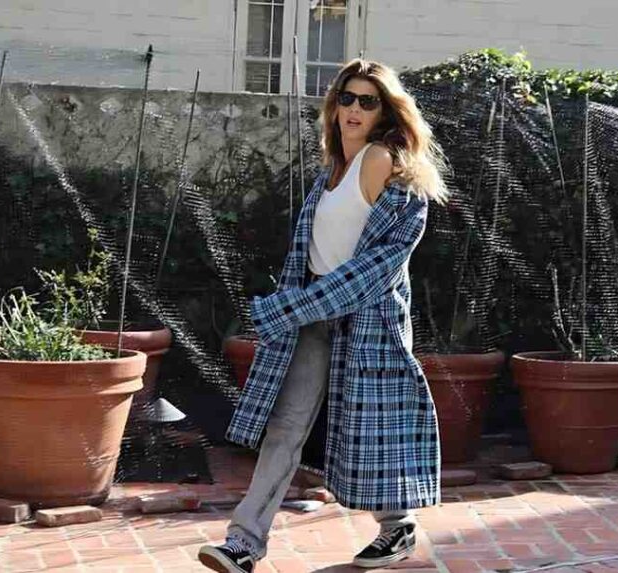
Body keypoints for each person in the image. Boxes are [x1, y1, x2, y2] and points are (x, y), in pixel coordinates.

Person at [199, 58, 449, 573]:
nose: (354, 109)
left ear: (385, 112)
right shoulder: (329, 174)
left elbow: (376, 270)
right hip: (312, 319)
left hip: (368, 323)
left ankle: (397, 525)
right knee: (285, 428)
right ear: (333, 106)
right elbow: (311, 256)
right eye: (347, 98)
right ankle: (243, 543)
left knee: (370, 426)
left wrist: (284, 310)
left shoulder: (384, 161)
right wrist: (295, 309)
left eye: (368, 101)